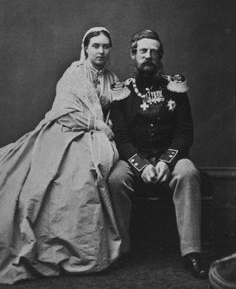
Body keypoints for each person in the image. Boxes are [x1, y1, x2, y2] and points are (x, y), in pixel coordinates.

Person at [0, 26, 130, 284]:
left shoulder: (111, 78)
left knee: (87, 177)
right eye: (96, 46)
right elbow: (65, 111)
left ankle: (81, 246)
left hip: (98, 136)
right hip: (67, 131)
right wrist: (97, 125)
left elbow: (116, 111)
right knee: (56, 180)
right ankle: (54, 246)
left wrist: (107, 126)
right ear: (86, 48)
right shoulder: (74, 73)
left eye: (106, 46)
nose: (101, 51)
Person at [108, 29, 207, 278]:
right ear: (133, 55)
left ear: (160, 55)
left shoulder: (174, 87)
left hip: (170, 156)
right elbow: (120, 137)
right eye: (143, 51)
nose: (148, 56)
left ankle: (191, 252)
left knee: (188, 172)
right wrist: (141, 165)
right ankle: (121, 250)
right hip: (135, 158)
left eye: (154, 51)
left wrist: (166, 161)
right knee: (115, 179)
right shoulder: (122, 91)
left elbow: (185, 132)